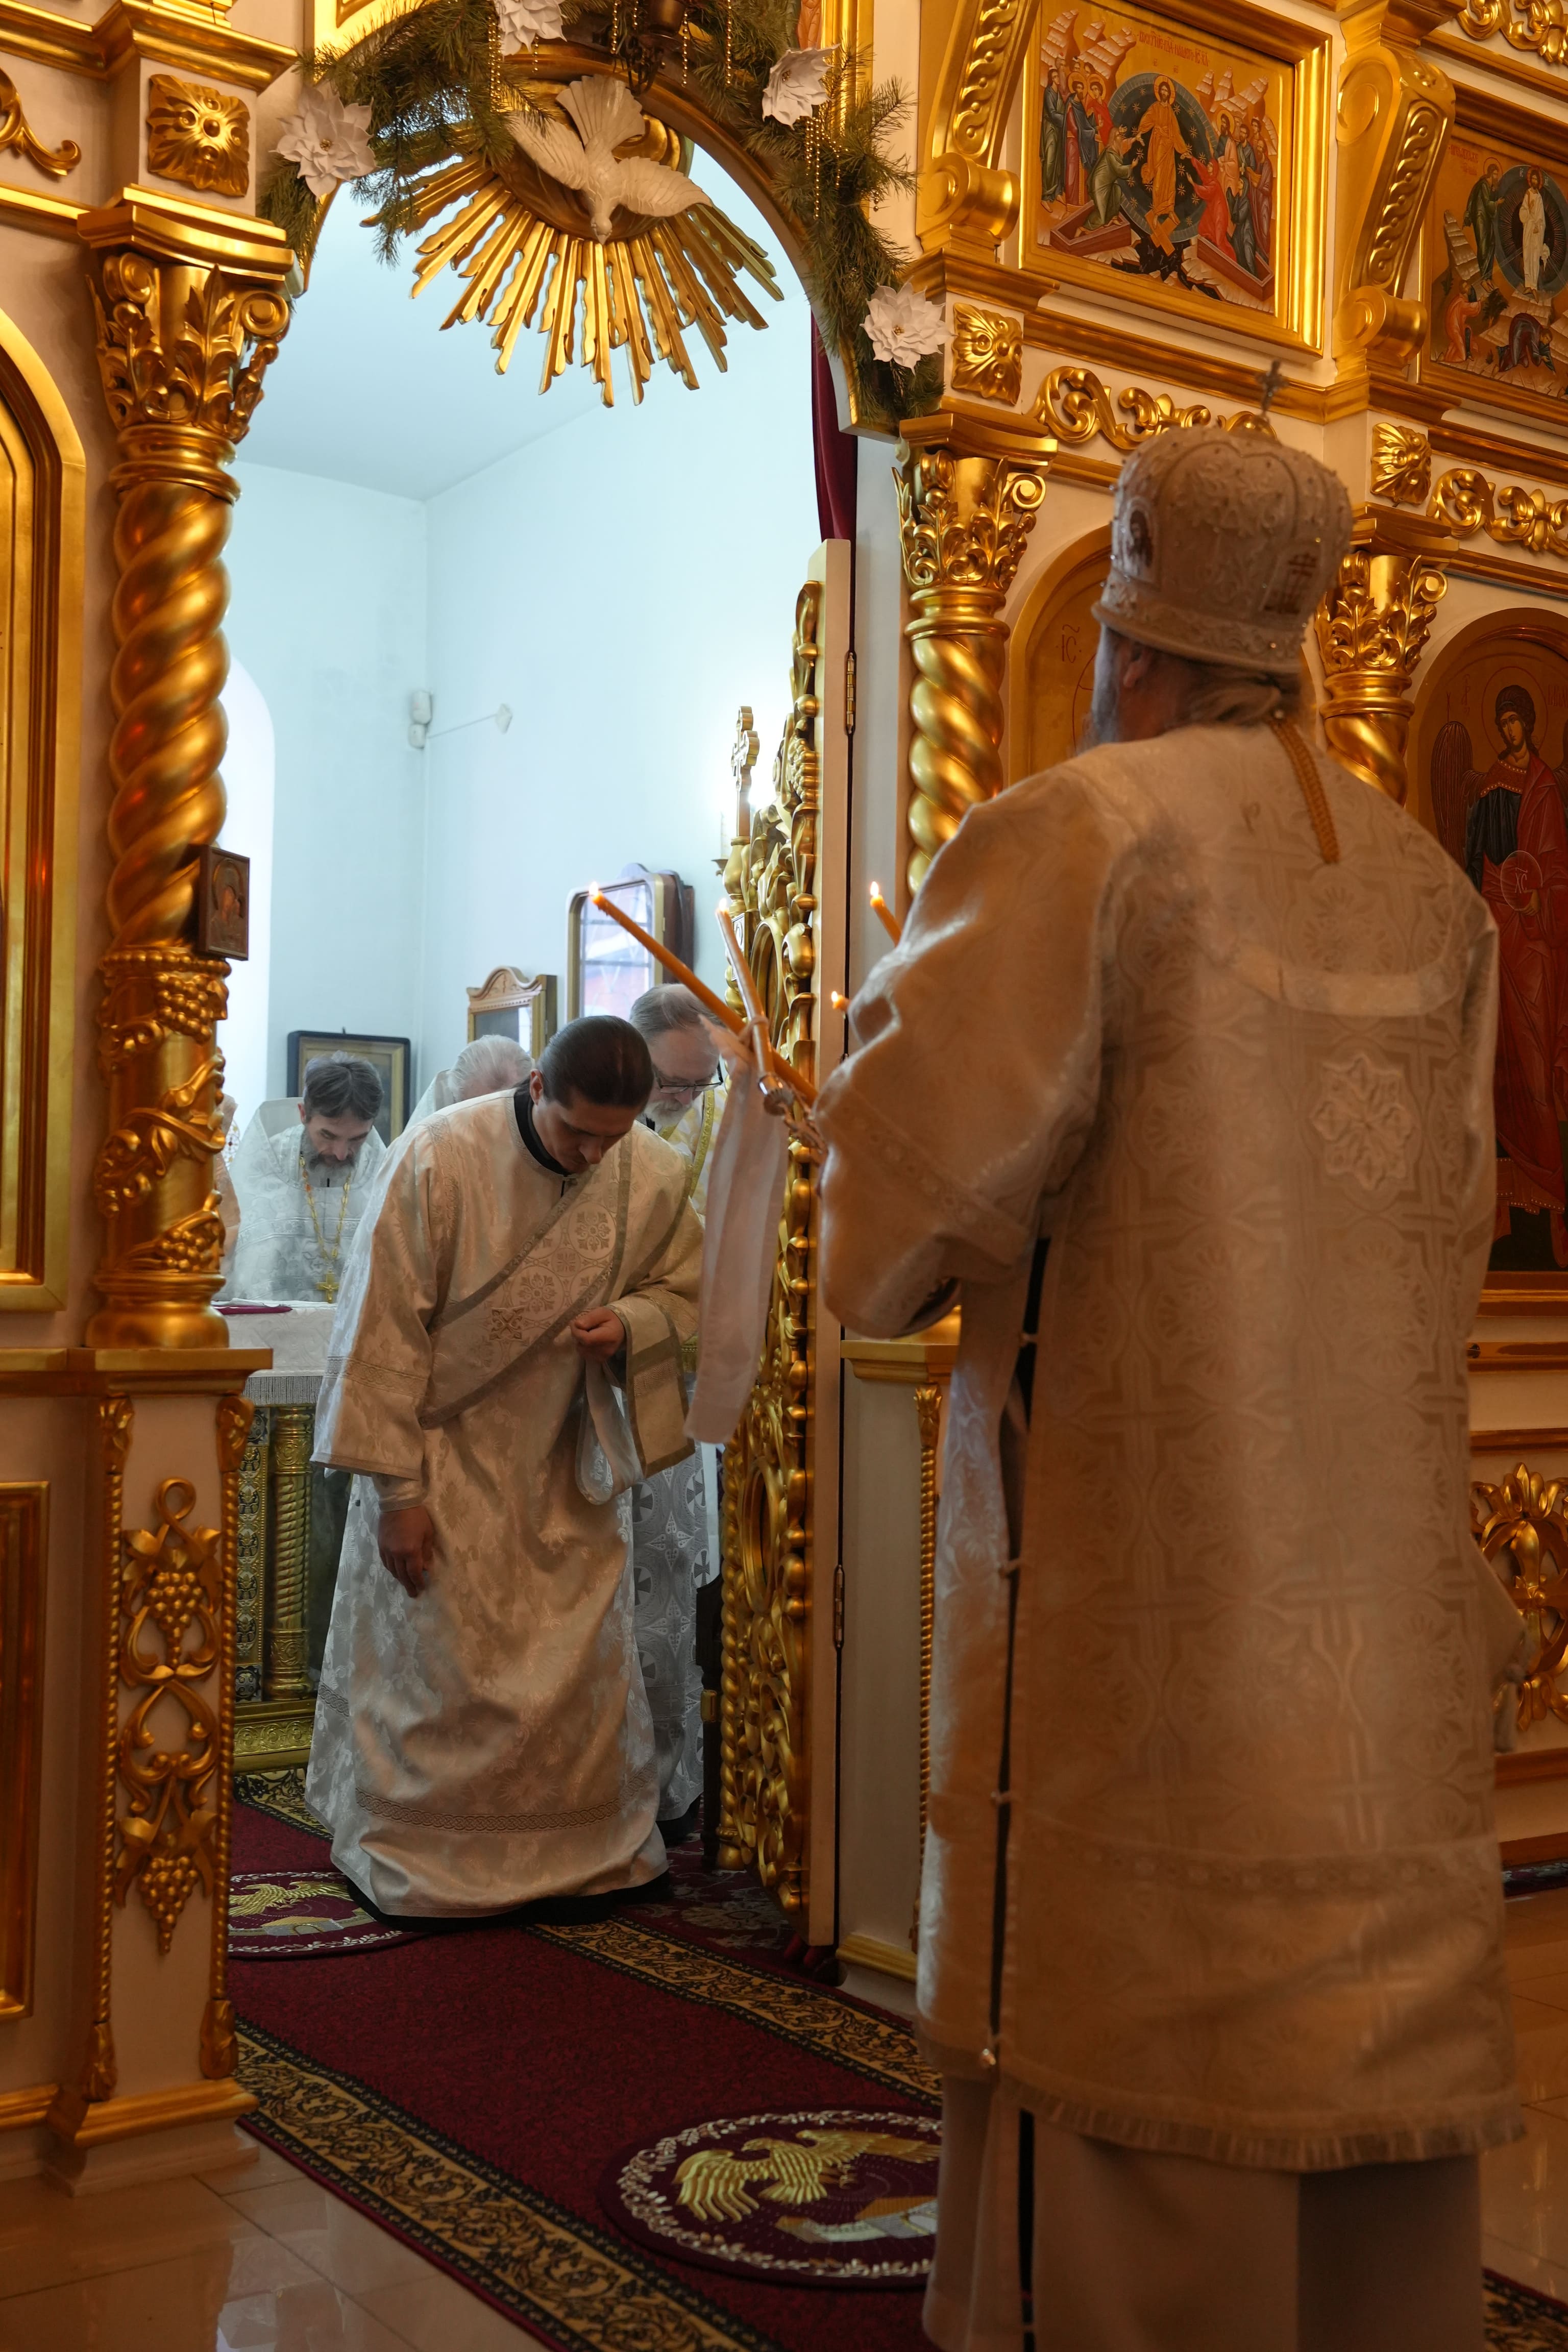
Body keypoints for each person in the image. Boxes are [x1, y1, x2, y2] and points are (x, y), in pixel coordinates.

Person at [816, 428, 1522, 2352]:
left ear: (1130, 638)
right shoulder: (1431, 888)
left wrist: (853, 1096)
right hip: (1375, 1632)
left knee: (1130, 2049)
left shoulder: (1085, 829)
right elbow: (1458, 1233)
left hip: (1145, 1622)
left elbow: (894, 1236)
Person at [306, 1015, 703, 1920]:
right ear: (536, 1091)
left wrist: (632, 1323)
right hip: (440, 1459)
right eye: (577, 1132)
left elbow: (687, 1291)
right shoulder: (440, 1158)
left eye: (614, 1136)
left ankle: (587, 1851)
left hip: (566, 1459)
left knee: (574, 1672)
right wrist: (398, 1496)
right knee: (440, 1667)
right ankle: (423, 1855)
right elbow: (380, 1331)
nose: (595, 1155)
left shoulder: (652, 1172)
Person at [625, 983, 730, 1837]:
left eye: (701, 1081)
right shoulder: (599, 1119)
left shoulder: (730, 1125)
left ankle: (667, 1785)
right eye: (671, 1080)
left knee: (670, 1585)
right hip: (597, 1381)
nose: (686, 1097)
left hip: (687, 1389)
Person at [1465, 684, 1568, 1265]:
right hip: (1500, 937)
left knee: (1535, 1072)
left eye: (1515, 721)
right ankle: (1501, 1214)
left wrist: (1537, 905)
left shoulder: (1545, 787)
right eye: (1501, 722)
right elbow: (1476, 862)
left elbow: (1558, 872)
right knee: (1498, 1068)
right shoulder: (1490, 788)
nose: (1509, 731)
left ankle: (1552, 1206)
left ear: (1529, 724)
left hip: (1537, 951)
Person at [225, 1052, 386, 1304]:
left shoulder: (383, 1173)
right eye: (328, 1136)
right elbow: (246, 1272)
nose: (341, 1154)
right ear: (303, 1114)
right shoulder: (267, 1165)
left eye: (358, 1139)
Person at [408, 1034, 533, 1127]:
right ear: (457, 1100)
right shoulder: (435, 1127)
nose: (494, 1124)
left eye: (506, 1108)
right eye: (479, 1111)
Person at [1136, 76, 1190, 253]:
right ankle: (1157, 212)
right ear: (1159, 92)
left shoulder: (1171, 112)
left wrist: (1183, 150)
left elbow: (1176, 132)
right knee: (1159, 180)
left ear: (1169, 94)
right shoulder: (1156, 107)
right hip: (1158, 145)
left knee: (1171, 179)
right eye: (1163, 90)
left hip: (1169, 149)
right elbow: (1147, 120)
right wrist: (1140, 132)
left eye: (1167, 91)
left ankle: (1170, 209)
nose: (1165, 93)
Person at [1465, 159, 1502, 286]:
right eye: (1495, 174)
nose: (1496, 177)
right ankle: (1483, 278)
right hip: (1480, 218)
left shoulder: (1490, 187)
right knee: (1483, 246)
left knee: (1491, 244)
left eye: (1497, 174)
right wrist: (1497, 203)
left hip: (1487, 219)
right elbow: (1487, 204)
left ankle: (1488, 277)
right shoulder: (1483, 185)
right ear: (1490, 174)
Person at [1522, 165, 1547, 295]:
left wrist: (1538, 226)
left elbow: (1542, 217)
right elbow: (1523, 212)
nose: (1534, 181)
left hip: (1537, 231)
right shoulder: (1527, 194)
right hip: (1528, 229)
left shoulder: (1539, 198)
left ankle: (1534, 287)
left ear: (1539, 182)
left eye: (1536, 179)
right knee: (1527, 256)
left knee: (1534, 258)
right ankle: (1528, 285)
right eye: (1533, 179)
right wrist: (1529, 208)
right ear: (1530, 180)